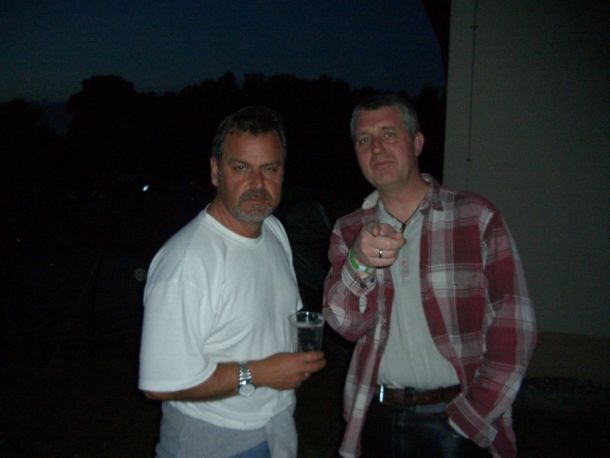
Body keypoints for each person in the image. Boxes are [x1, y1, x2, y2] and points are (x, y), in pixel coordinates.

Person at [323, 93, 537, 458]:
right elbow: (345, 326)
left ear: (417, 142)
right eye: (364, 140)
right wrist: (359, 262)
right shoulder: (350, 229)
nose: (376, 148)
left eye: (389, 134)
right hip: (377, 417)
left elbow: (515, 323)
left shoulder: (475, 217)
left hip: (458, 419)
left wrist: (474, 415)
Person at [139, 106, 326, 458]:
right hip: (210, 438)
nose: (257, 183)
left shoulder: (273, 230)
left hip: (276, 426)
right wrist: (259, 374)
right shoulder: (186, 262)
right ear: (216, 172)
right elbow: (160, 384)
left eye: (269, 168)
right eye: (241, 168)